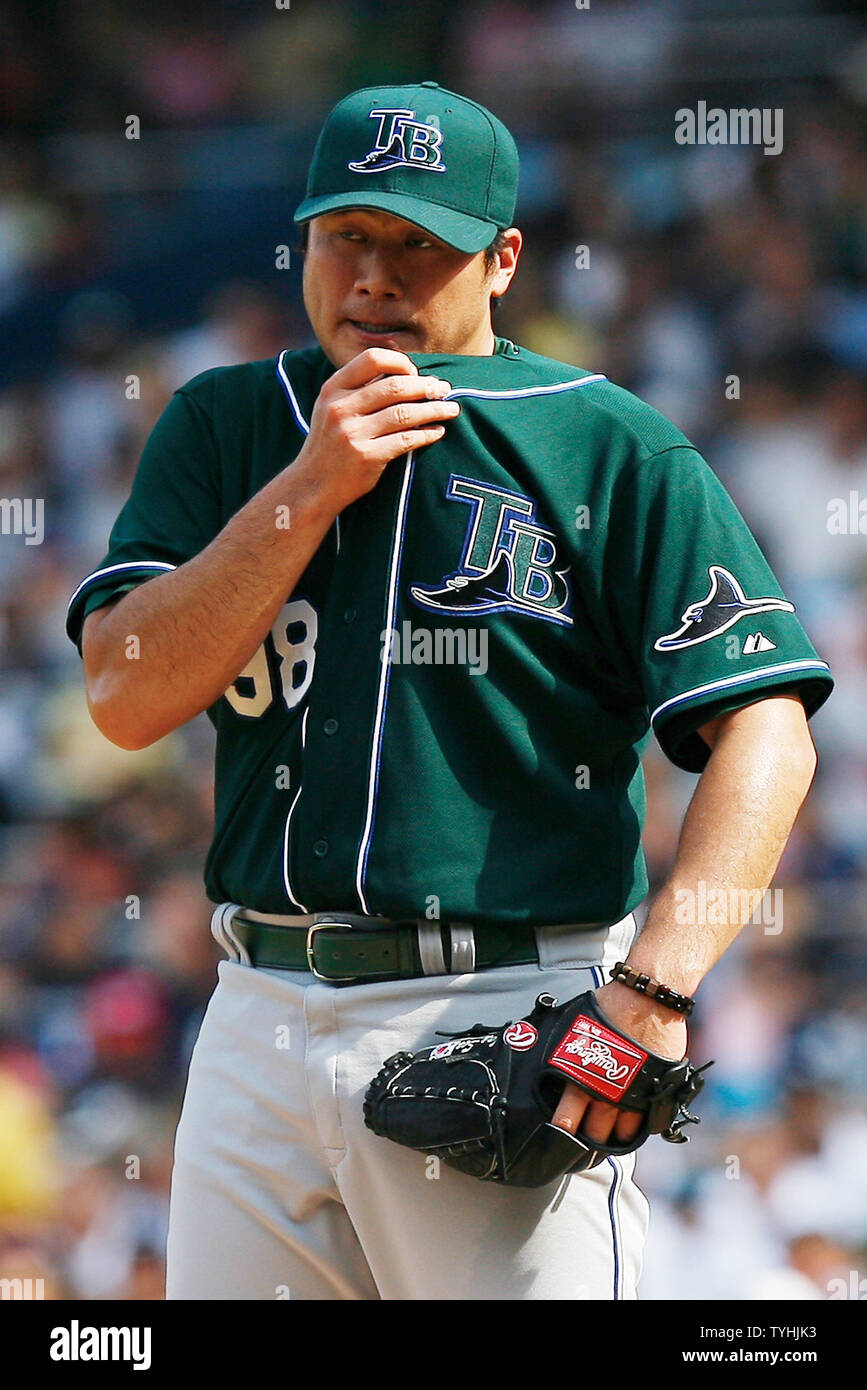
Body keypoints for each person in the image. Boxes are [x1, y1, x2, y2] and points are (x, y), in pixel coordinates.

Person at [66, 82, 832, 1301]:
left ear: (504, 258)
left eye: (421, 245)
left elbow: (768, 730)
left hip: (504, 1007)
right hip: (257, 1009)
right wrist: (305, 493)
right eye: (349, 236)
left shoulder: (607, 442)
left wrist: (657, 987)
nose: (375, 276)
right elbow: (124, 695)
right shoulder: (226, 424)